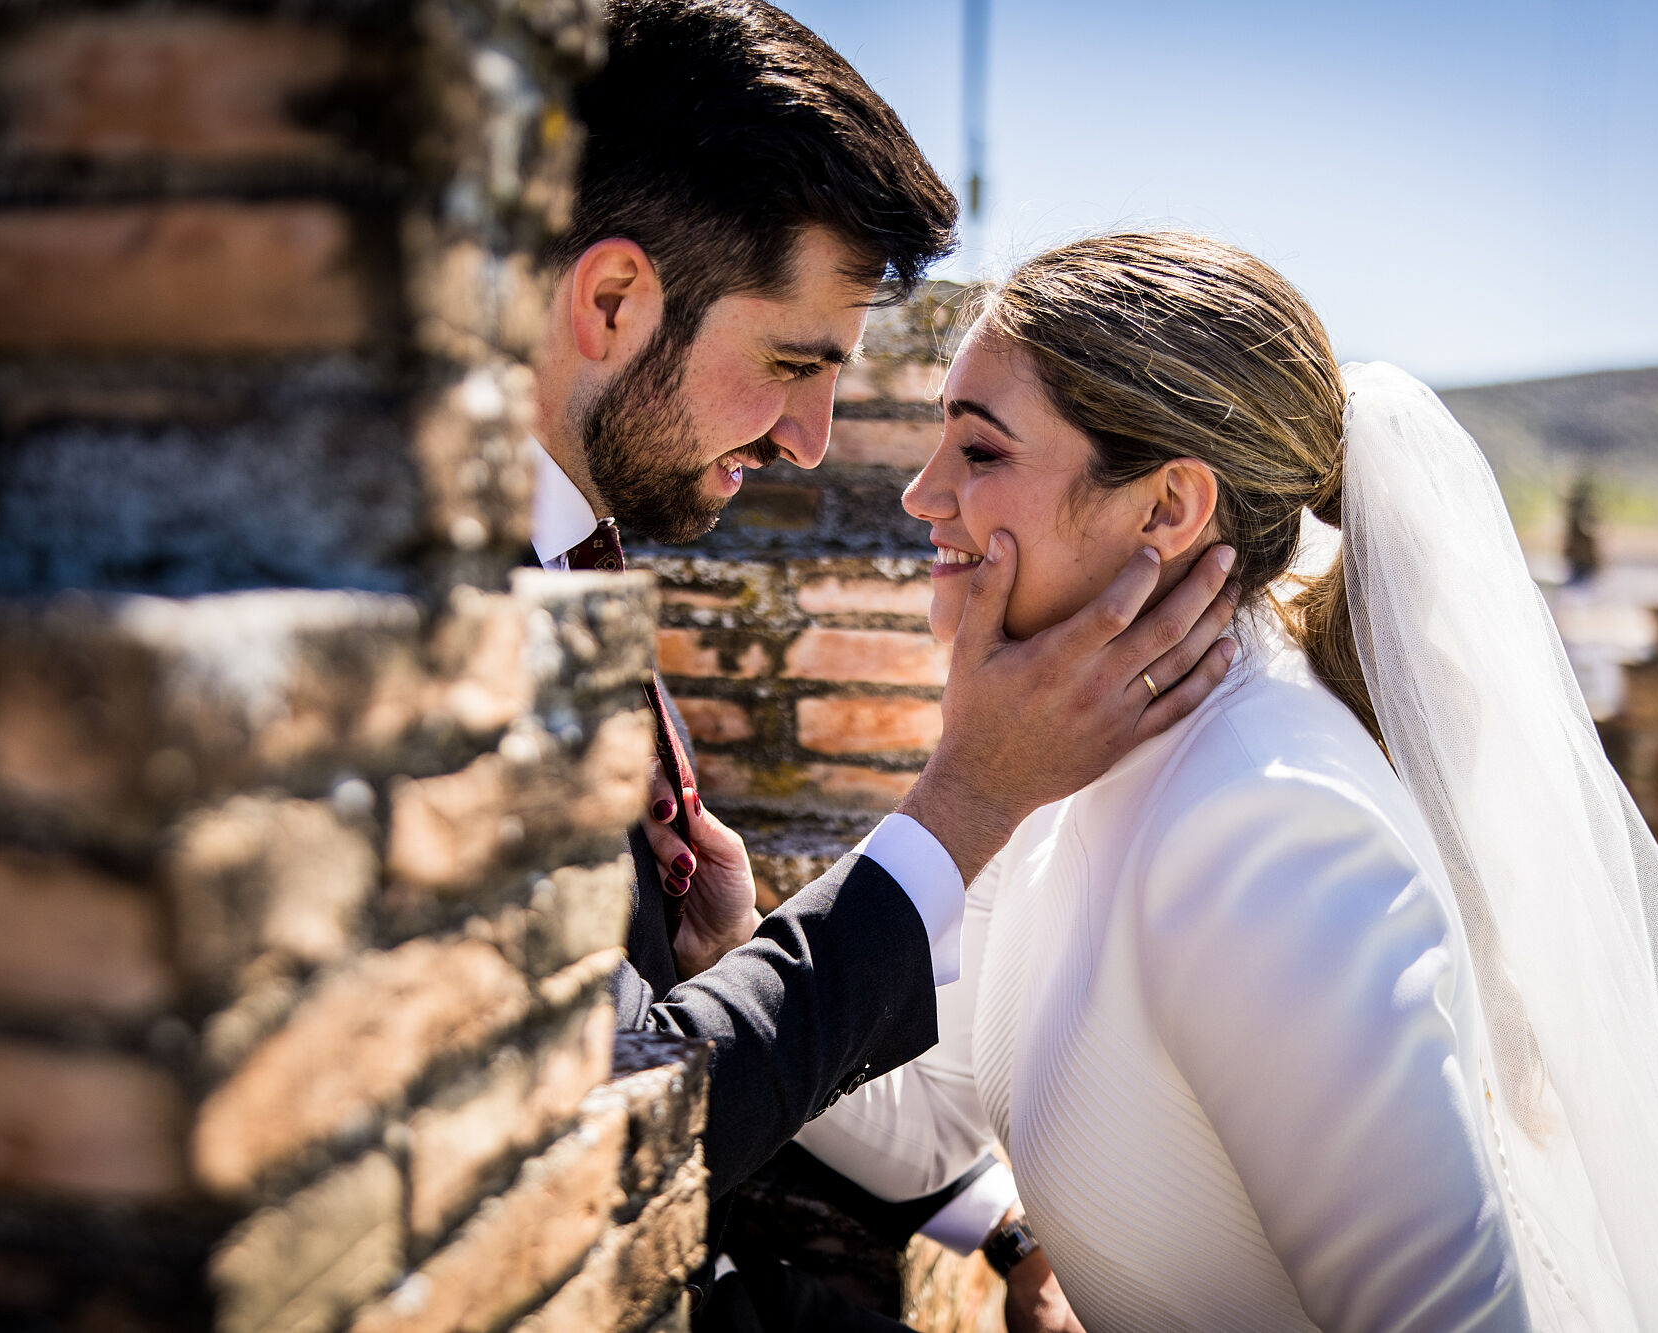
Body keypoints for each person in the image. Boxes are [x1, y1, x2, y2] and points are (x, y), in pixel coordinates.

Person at [796, 231, 1658, 1332]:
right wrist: (727, 945)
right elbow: (919, 1121)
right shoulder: (1077, 757)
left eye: (978, 452)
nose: (921, 495)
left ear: (1166, 509)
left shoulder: (1266, 821)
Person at [525, 4, 1239, 1325]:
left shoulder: (584, 562)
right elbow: (623, 1111)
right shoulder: (456, 632)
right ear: (615, 299)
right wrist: (965, 802)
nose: (813, 439)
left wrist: (994, 1223)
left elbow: (683, 1022)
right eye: (795, 362)